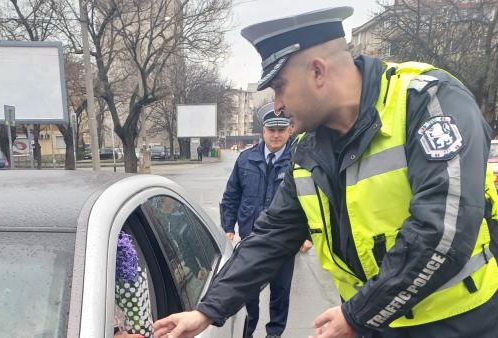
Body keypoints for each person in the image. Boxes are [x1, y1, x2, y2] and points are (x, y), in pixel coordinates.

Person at [154, 6, 498, 338]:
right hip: (374, 322)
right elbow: (272, 236)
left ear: (318, 72)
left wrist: (357, 315)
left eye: (279, 87)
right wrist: (207, 311)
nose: (276, 106)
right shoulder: (307, 149)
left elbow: (444, 229)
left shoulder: (426, 101)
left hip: (457, 322)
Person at [220, 102, 295, 338]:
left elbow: (311, 200)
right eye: (271, 130)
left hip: (284, 241)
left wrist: (309, 236)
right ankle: (248, 332)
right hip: (251, 238)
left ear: (289, 130)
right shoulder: (246, 159)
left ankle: (274, 334)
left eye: (281, 130)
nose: (275, 135)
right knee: (248, 291)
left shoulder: (298, 160)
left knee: (280, 293)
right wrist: (228, 227)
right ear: (262, 131)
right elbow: (232, 195)